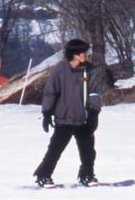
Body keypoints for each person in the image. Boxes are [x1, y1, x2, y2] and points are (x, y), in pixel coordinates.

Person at [33, 38, 102, 187]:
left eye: (85, 52)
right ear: (74, 54)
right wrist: (46, 113)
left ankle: (87, 175)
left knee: (88, 151)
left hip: (83, 118)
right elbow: (50, 92)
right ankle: (43, 175)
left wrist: (94, 112)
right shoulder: (60, 70)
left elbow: (94, 92)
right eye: (82, 52)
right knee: (55, 150)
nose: (85, 55)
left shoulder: (89, 70)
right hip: (64, 117)